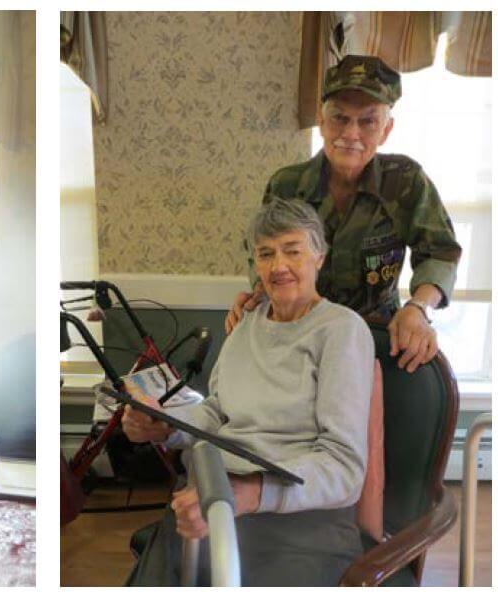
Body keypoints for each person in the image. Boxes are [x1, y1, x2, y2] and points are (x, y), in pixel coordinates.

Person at [125, 199, 373, 586]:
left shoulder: (341, 330)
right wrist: (165, 426)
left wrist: (251, 494)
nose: (279, 267)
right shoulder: (244, 326)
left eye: (293, 251)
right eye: (266, 254)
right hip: (216, 499)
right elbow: (217, 411)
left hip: (300, 516)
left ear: (319, 257)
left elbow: (343, 466)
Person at [227, 55, 461, 373]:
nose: (351, 133)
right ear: (322, 122)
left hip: (377, 334)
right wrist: (258, 297)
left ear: (386, 129)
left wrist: (418, 309)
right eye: (340, 118)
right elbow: (264, 255)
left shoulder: (405, 181)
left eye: (367, 121)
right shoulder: (288, 184)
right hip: (300, 335)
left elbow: (440, 253)